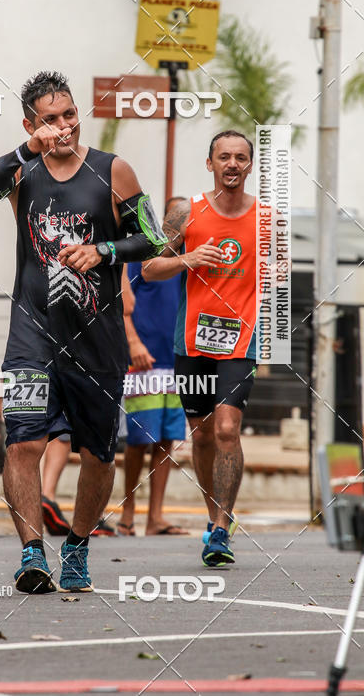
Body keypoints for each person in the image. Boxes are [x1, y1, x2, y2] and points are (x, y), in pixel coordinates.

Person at [0, 71, 167, 594]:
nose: (64, 127)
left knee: (99, 456)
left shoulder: (112, 171)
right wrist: (23, 149)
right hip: (31, 336)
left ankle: (77, 547)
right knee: (22, 444)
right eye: (50, 120)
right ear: (32, 124)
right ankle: (32, 554)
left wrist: (102, 251)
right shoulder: (23, 171)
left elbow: (153, 239)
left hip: (96, 340)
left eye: (69, 115)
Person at [142, 130, 257, 567]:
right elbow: (151, 269)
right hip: (192, 340)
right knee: (203, 434)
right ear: (210, 164)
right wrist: (187, 258)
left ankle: (223, 528)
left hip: (240, 340)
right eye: (224, 157)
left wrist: (273, 340)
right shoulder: (186, 211)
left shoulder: (267, 218)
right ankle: (214, 520)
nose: (232, 164)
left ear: (250, 166)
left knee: (228, 428)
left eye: (240, 158)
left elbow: (278, 283)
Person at [118, 197, 189, 537]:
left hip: (176, 359)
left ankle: (155, 516)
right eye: (178, 216)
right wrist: (133, 343)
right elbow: (122, 302)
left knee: (167, 439)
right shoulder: (144, 252)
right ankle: (127, 511)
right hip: (143, 361)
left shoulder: (191, 258)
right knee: (138, 438)